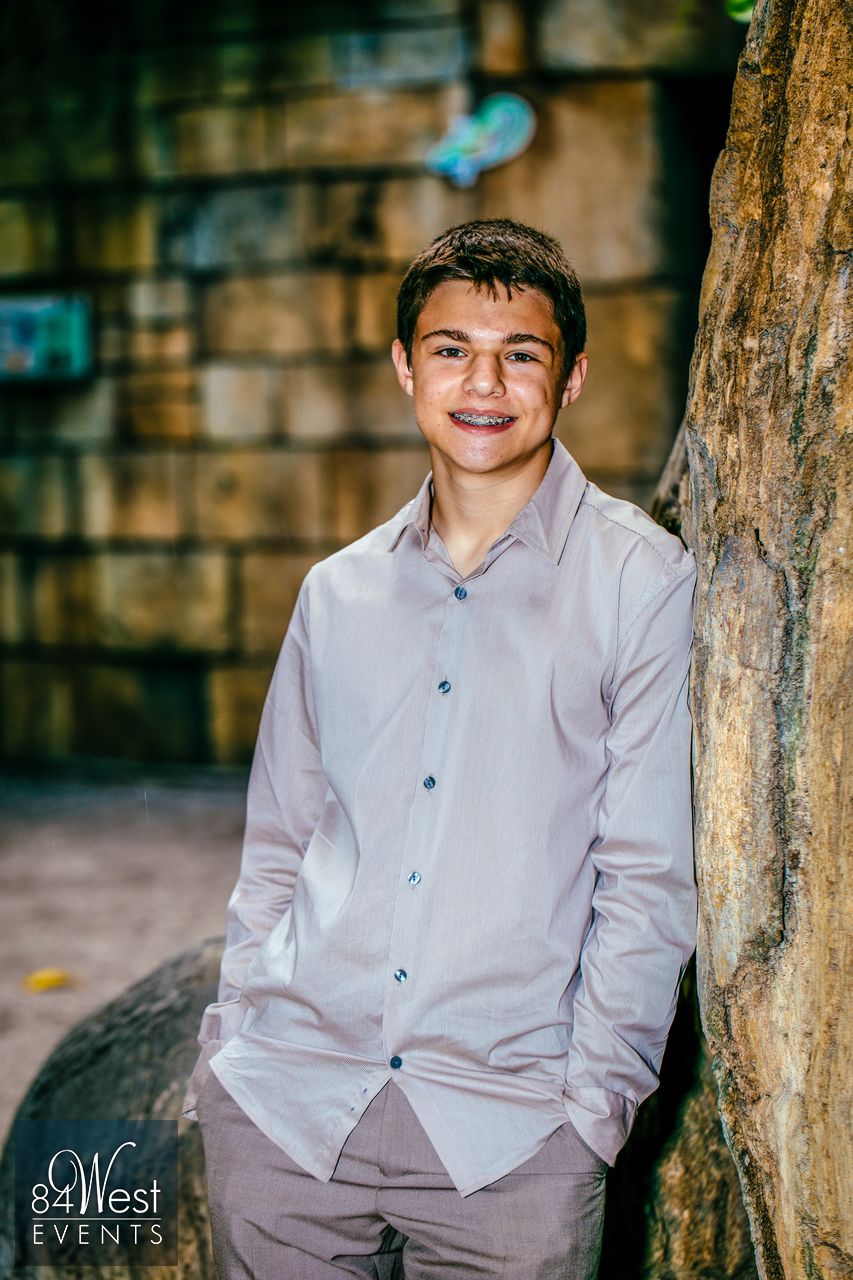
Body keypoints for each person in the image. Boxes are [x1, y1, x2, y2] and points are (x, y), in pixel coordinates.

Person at [181, 218, 698, 1280]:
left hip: (509, 1142)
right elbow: (281, 840)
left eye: (522, 353)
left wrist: (590, 1111)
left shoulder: (639, 582)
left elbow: (646, 878)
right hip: (287, 1111)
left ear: (574, 375)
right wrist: (232, 1046)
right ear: (405, 366)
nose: (484, 382)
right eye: (452, 347)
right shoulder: (337, 592)